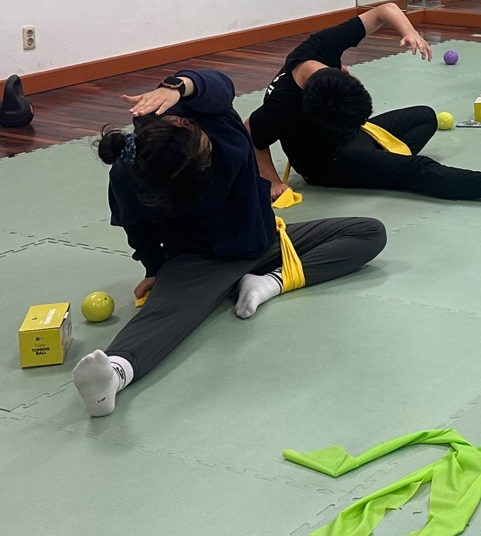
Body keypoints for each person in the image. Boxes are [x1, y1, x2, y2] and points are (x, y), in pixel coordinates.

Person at [74, 70, 387, 417]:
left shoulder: (210, 125)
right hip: (200, 261)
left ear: (185, 123)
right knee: (166, 316)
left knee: (368, 232)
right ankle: (116, 373)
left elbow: (219, 84)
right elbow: (138, 228)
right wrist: (156, 269)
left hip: (266, 241)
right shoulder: (138, 168)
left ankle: (267, 283)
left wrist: (178, 86)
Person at [247, 3, 481, 207]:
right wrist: (272, 181)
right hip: (328, 160)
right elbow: (251, 135)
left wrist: (410, 33)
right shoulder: (281, 107)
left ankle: (380, 166)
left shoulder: (319, 48)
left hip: (355, 133)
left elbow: (384, 10)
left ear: (341, 72)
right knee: (415, 170)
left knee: (425, 117)